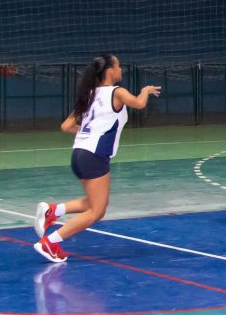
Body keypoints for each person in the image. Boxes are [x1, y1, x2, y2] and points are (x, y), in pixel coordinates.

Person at [33, 55, 161, 262]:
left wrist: (88, 135)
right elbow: (138, 103)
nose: (121, 69)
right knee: (96, 211)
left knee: (95, 203)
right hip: (94, 156)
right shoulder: (117, 92)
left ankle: (53, 211)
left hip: (79, 153)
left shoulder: (90, 95)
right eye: (118, 66)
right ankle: (49, 243)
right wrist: (145, 91)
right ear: (110, 70)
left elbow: (65, 126)